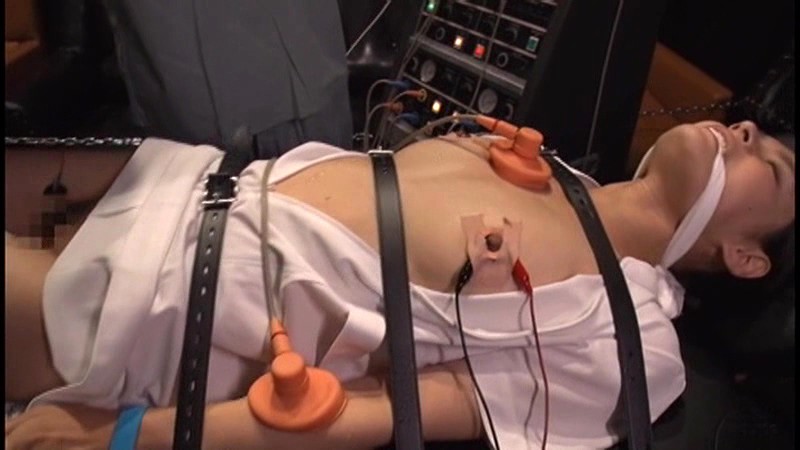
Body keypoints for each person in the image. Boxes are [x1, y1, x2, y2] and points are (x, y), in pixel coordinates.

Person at [4, 120, 795, 449]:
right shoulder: (555, 168)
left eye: (775, 166)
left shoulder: (629, 341)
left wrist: (122, 436)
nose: (749, 131)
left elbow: (376, 412)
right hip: (178, 179)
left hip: (157, 299)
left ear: (747, 258)